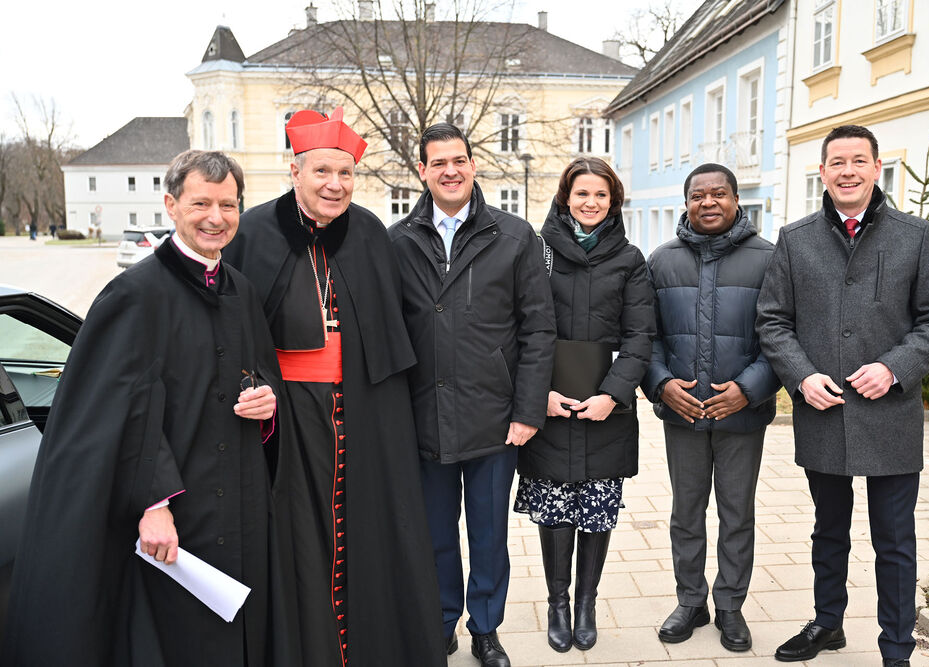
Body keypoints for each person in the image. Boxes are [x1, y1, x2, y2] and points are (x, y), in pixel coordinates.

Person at [1, 150, 285, 667]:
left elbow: (258, 375)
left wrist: (267, 401)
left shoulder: (241, 291)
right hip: (170, 514)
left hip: (236, 506)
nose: (216, 217)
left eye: (228, 205)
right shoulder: (133, 295)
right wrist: (154, 505)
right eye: (201, 203)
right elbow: (116, 413)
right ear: (171, 205)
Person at [223, 108, 446, 667]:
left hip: (365, 410)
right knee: (302, 538)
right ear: (295, 171)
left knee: (370, 533)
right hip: (290, 419)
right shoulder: (254, 231)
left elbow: (392, 328)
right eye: (322, 171)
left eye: (345, 173)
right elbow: (234, 335)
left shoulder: (369, 231)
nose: (335, 184)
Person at [756, 125, 929, 667]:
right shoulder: (795, 239)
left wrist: (894, 368)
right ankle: (828, 623)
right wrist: (801, 376)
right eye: (837, 162)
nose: (848, 171)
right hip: (824, 411)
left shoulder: (913, 235)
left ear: (876, 168)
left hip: (891, 414)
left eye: (858, 161)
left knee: (894, 540)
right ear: (822, 172)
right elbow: (772, 321)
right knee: (829, 532)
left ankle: (897, 648)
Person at [388, 123, 556, 667]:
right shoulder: (397, 241)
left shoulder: (514, 236)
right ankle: (440, 624)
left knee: (488, 536)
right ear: (422, 171)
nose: (450, 171)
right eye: (438, 163)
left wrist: (527, 410)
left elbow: (539, 329)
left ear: (473, 164)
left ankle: (486, 628)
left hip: (494, 418)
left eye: (458, 160)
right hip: (423, 417)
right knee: (435, 535)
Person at [514, 157, 654, 653]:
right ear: (565, 197)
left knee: (596, 511)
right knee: (554, 510)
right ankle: (557, 603)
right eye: (582, 194)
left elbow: (640, 336)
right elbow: (518, 327)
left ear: (613, 201)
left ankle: (586, 603)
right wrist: (538, 396)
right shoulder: (535, 250)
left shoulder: (630, 259)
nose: (591, 202)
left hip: (605, 412)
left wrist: (613, 395)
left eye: (601, 194)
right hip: (550, 406)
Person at [640, 163, 781, 653]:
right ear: (686, 203)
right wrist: (660, 385)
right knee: (686, 513)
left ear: (736, 200)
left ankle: (730, 607)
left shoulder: (769, 259)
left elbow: (782, 336)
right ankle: (690, 601)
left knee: (736, 513)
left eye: (718, 193)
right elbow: (645, 336)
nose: (708, 202)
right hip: (682, 415)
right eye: (698, 195)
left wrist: (749, 389)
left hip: (742, 415)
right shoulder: (662, 261)